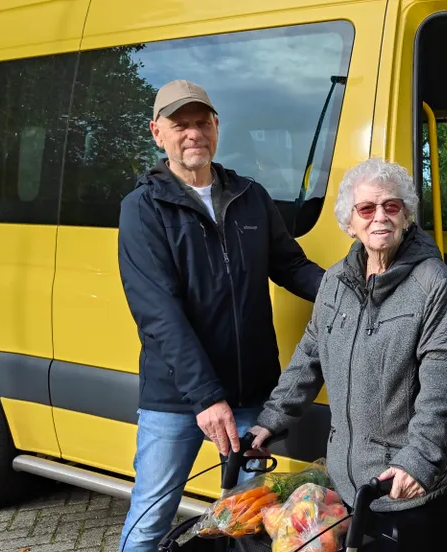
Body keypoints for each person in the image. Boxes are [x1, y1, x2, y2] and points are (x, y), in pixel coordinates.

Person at [117, 79, 324, 551]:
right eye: (179, 124)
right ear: (157, 132)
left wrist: (349, 290)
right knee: (152, 516)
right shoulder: (143, 209)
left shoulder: (250, 196)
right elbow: (159, 314)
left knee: (245, 519)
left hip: (251, 394)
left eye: (201, 122)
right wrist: (207, 397)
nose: (193, 134)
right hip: (178, 399)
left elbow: (291, 265)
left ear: (216, 127)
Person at [249, 158, 447, 551]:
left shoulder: (435, 284)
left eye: (392, 206)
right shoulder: (335, 281)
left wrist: (417, 459)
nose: (380, 217)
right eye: (366, 209)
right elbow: (309, 356)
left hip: (404, 485)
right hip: (348, 480)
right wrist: (272, 419)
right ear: (350, 223)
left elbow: (442, 382)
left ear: (406, 216)